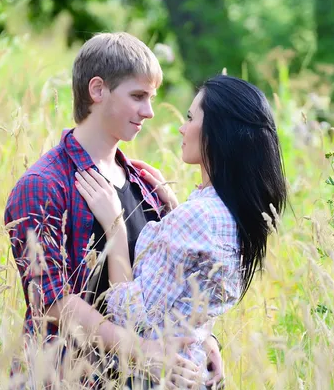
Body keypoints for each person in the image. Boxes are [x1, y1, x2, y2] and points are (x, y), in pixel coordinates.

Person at [4, 32, 222, 388]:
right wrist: (143, 349)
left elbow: (172, 290)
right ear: (97, 90)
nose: (149, 112)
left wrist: (205, 342)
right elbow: (51, 302)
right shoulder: (43, 184)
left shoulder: (146, 184)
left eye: (151, 98)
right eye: (137, 96)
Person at [73, 74, 288, 386]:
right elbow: (190, 289)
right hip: (193, 372)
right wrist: (174, 209)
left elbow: (132, 318)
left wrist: (116, 229)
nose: (181, 128)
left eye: (190, 118)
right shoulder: (234, 209)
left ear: (218, 132)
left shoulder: (198, 216)